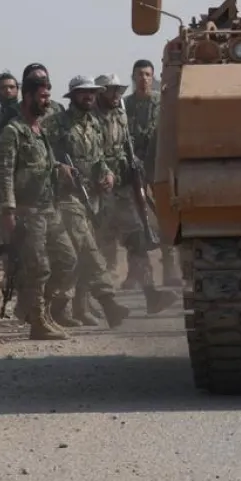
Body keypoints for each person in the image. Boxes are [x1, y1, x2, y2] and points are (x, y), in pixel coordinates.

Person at [0, 75, 74, 341]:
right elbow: (5, 172)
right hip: (27, 211)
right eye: (42, 97)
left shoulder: (40, 131)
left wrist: (59, 168)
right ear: (27, 98)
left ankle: (41, 310)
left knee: (67, 259)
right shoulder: (13, 132)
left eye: (48, 97)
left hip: (48, 208)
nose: (46, 102)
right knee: (37, 267)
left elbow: (41, 164)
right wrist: (8, 210)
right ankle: (38, 322)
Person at [48, 76, 131, 328]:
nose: (89, 97)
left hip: (93, 197)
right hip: (67, 197)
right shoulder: (56, 123)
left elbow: (99, 158)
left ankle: (71, 307)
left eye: (92, 93)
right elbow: (42, 157)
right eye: (83, 93)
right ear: (73, 95)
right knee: (88, 249)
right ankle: (109, 302)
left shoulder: (94, 123)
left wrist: (108, 173)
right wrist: (59, 168)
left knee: (81, 254)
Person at [95, 73, 177, 316]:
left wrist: (134, 166)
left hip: (121, 189)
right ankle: (83, 303)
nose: (115, 94)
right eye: (110, 90)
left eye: (118, 90)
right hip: (97, 192)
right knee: (92, 249)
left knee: (137, 241)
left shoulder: (120, 115)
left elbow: (123, 148)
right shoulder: (90, 120)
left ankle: (151, 294)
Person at [124, 59, 179, 288]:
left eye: (147, 74)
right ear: (133, 77)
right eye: (139, 74)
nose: (143, 78)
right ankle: (136, 272)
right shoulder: (124, 105)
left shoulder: (163, 103)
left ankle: (170, 269)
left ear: (153, 77)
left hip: (158, 166)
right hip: (133, 168)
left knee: (165, 216)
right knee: (134, 220)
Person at [0, 71, 21, 137]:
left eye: (12, 87)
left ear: (17, 90)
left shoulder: (26, 112)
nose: (8, 90)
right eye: (3, 87)